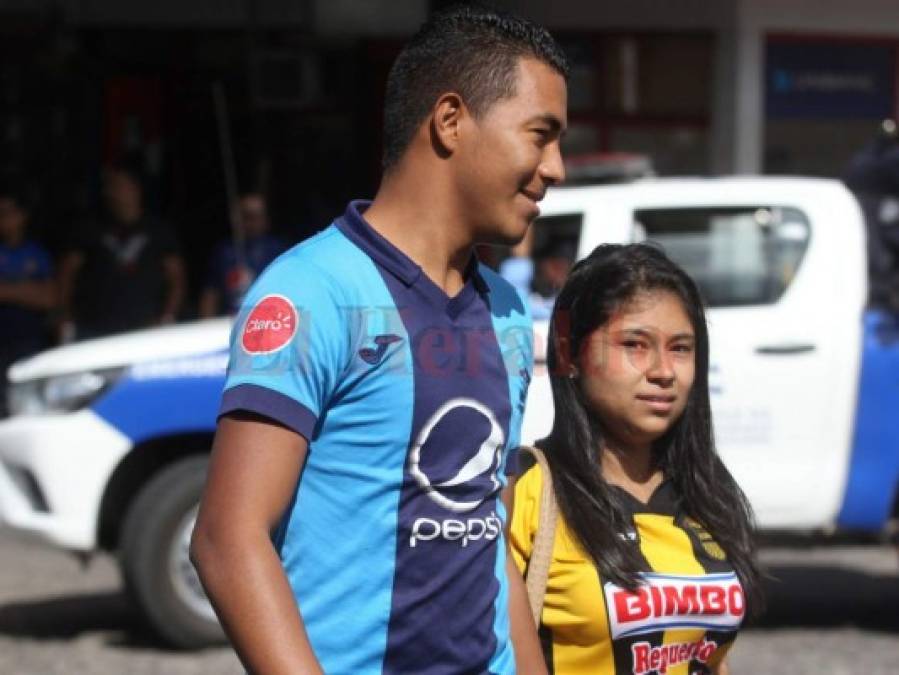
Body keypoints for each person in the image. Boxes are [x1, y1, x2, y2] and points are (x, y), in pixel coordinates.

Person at [190, 5, 568, 674]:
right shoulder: (312, 290)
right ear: (450, 120)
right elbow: (227, 539)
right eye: (540, 135)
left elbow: (487, 541)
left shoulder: (507, 312)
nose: (556, 167)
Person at [510, 244, 763, 674]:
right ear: (569, 354)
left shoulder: (707, 496)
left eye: (681, 348)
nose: (664, 371)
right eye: (635, 344)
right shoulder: (526, 491)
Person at [58, 162, 186, 339]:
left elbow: (176, 278)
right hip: (94, 329)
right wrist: (65, 317)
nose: (113, 193)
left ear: (136, 189)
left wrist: (168, 317)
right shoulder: (89, 228)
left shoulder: (158, 230)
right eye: (109, 187)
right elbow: (67, 274)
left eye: (119, 186)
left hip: (146, 329)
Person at [0, 186, 55, 415]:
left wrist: (8, 291)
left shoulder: (37, 254)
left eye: (7, 212)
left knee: (25, 403)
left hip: (28, 341)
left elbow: (49, 298)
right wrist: (26, 291)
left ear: (22, 216)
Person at [199, 190, 287, 318]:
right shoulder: (224, 251)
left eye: (255, 217)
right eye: (245, 216)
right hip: (231, 321)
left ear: (266, 219)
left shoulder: (277, 250)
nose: (250, 222)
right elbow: (210, 293)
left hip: (268, 321)